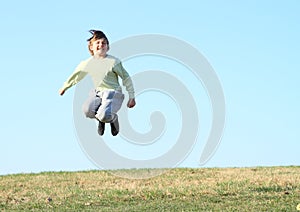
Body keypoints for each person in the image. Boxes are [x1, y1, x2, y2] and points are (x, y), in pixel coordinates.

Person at [59, 30, 136, 136]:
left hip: (113, 93)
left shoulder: (114, 62)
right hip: (98, 92)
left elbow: (126, 78)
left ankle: (113, 119)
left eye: (104, 43)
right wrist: (65, 87)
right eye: (97, 43)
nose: (101, 45)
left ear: (107, 47)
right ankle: (102, 119)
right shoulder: (87, 63)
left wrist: (131, 96)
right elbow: (76, 75)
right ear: (91, 47)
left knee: (104, 114)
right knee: (87, 110)